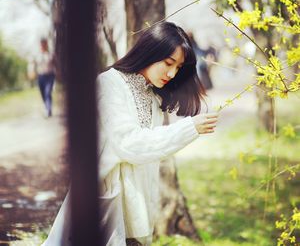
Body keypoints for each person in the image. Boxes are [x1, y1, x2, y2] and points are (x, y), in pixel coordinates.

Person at [41, 21, 218, 246]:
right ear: (150, 52)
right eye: (169, 63)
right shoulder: (109, 84)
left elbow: (149, 154)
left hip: (136, 214)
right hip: (103, 208)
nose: (172, 73)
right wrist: (188, 128)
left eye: (178, 67)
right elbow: (129, 144)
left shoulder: (153, 96)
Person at [36, 38, 55, 117]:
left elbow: (55, 64)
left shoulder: (50, 55)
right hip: (41, 76)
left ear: (46, 45)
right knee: (43, 94)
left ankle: (48, 109)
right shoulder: (38, 55)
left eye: (44, 44)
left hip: (50, 76)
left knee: (47, 92)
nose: (43, 46)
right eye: (42, 44)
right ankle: (47, 107)